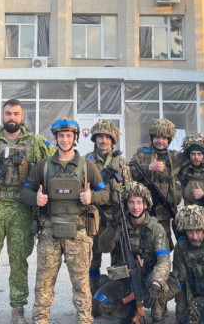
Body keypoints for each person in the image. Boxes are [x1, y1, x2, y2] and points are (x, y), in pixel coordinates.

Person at [0, 99, 53, 324]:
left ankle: (18, 311)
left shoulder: (35, 142)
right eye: (7, 113)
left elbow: (52, 167)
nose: (11, 117)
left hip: (22, 210)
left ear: (22, 116)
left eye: (15, 113)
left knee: (19, 261)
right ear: (2, 116)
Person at [20, 118, 110, 324]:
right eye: (61, 136)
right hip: (49, 232)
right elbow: (24, 190)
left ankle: (84, 319)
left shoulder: (88, 167)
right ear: (56, 138)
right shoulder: (43, 167)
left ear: (75, 138)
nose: (65, 139)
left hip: (78, 233)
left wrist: (92, 198)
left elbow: (106, 193)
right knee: (43, 283)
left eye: (69, 135)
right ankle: (40, 320)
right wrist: (35, 198)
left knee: (81, 284)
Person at [130, 119, 204, 246]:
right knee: (142, 242)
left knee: (163, 242)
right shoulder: (142, 152)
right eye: (157, 137)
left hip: (164, 210)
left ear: (169, 140)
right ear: (152, 138)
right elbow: (128, 171)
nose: (160, 141)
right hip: (141, 208)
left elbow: (198, 154)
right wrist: (149, 167)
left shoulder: (175, 156)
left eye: (164, 138)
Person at [92, 181, 171, 324]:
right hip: (123, 280)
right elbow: (104, 248)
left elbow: (164, 259)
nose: (135, 207)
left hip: (147, 278)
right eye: (131, 202)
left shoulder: (156, 228)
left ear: (146, 205)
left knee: (161, 287)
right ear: (126, 204)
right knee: (101, 302)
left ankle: (158, 318)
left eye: (139, 202)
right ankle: (128, 311)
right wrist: (113, 227)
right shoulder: (119, 225)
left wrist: (156, 282)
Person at [85, 119, 130, 294]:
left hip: (117, 217)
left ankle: (115, 295)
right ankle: (91, 296)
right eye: (100, 137)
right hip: (94, 216)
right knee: (92, 260)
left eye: (107, 137)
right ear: (95, 139)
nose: (103, 141)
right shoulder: (86, 162)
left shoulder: (121, 163)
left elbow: (129, 189)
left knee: (118, 260)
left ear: (113, 140)